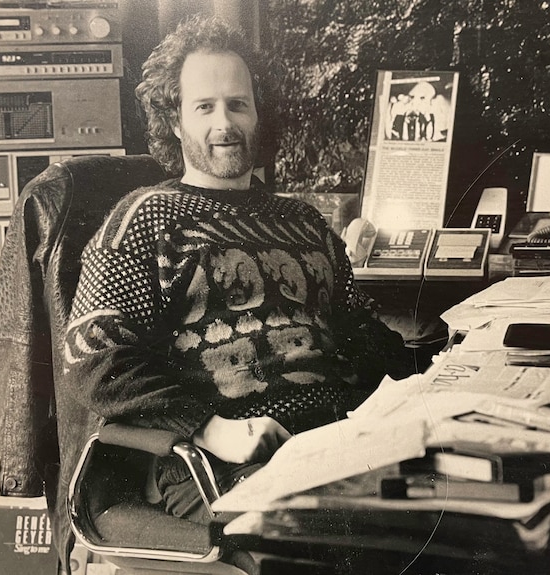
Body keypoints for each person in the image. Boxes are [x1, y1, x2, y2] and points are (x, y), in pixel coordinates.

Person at [63, 15, 410, 524]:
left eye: (238, 104)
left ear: (258, 115)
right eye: (204, 106)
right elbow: (93, 357)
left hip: (341, 442)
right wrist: (209, 427)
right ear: (175, 120)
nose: (224, 123)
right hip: (221, 465)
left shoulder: (305, 222)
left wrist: (437, 380)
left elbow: (360, 332)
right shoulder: (143, 222)